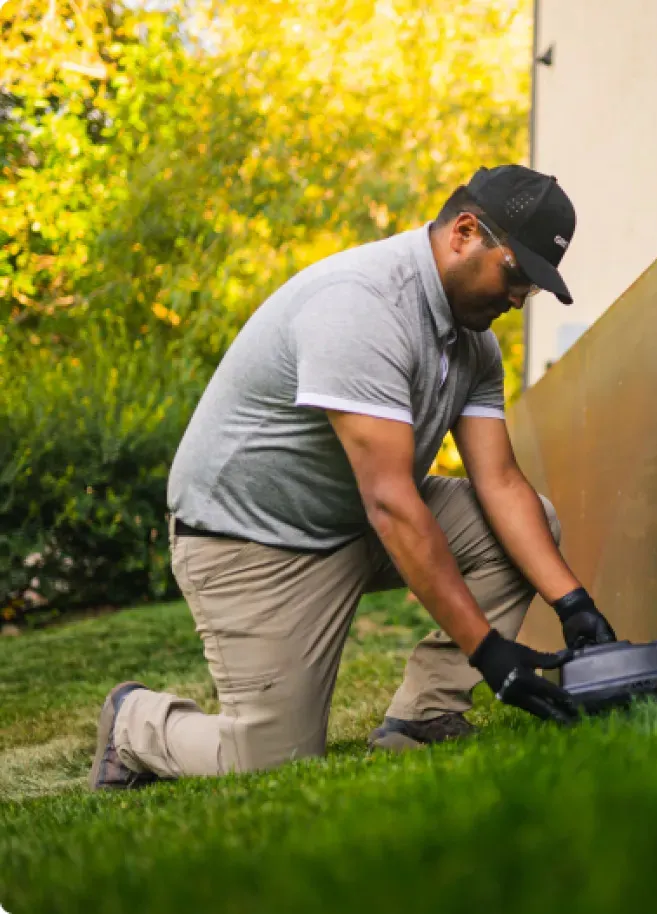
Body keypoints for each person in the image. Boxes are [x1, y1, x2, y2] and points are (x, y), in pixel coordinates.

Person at [89, 164, 618, 790]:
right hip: (252, 540)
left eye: (530, 288)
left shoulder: (474, 345)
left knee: (532, 524)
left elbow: (500, 482)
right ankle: (131, 721)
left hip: (350, 517)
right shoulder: (361, 306)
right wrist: (488, 650)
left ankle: (424, 716)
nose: (515, 297)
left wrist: (576, 606)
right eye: (515, 274)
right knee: (267, 760)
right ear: (465, 233)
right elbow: (392, 503)